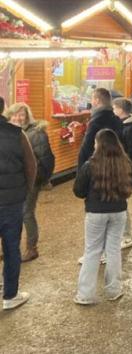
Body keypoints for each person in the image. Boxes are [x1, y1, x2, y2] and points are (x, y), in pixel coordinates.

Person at [73, 129, 132, 305]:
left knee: (92, 251)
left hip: (95, 212)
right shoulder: (125, 163)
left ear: (98, 144)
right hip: (119, 211)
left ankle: (85, 294)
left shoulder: (89, 165)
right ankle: (114, 290)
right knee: (114, 250)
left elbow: (78, 190)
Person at [5, 102, 54, 263]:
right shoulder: (10, 133)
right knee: (12, 214)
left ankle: (32, 248)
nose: (18, 117)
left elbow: (43, 160)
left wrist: (37, 180)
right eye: (15, 114)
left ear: (27, 116)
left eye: (22, 114)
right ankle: (11, 248)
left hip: (30, 181)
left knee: (26, 213)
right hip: (14, 182)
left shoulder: (36, 133)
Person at [0, 97, 37, 310]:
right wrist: (25, 191)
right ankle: (10, 296)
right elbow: (31, 166)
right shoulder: (17, 134)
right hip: (13, 202)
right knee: (12, 247)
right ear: (4, 110)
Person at [112, 98, 132, 249]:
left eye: (115, 108)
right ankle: (123, 234)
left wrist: (125, 164)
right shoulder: (125, 125)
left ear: (121, 110)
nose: (113, 111)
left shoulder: (129, 128)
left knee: (122, 202)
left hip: (123, 168)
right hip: (122, 166)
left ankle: (127, 235)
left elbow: (131, 151)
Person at [78, 88, 124, 168]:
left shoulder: (96, 121)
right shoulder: (116, 119)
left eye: (92, 98)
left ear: (97, 100)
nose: (91, 101)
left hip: (97, 165)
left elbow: (87, 147)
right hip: (114, 162)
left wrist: (82, 169)